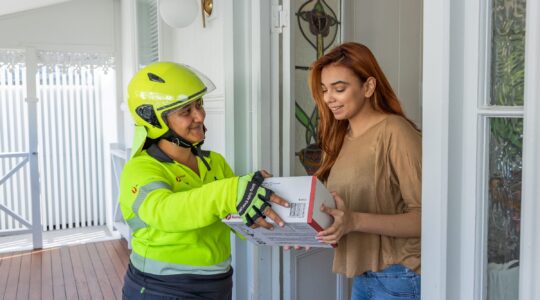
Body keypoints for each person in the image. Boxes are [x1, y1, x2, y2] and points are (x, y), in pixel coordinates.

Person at [119, 61, 289, 300]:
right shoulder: (140, 168)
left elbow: (236, 218)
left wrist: (285, 231)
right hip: (162, 288)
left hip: (218, 282)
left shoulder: (215, 162)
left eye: (199, 104)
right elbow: (165, 211)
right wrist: (230, 191)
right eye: (186, 111)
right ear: (155, 120)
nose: (200, 116)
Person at [310, 42, 422, 299]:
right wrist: (305, 229)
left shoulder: (395, 132)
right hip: (364, 276)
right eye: (325, 90)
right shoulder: (340, 138)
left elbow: (426, 219)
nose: (328, 99)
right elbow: (341, 209)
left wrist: (355, 221)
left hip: (401, 276)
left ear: (369, 87)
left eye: (339, 88)